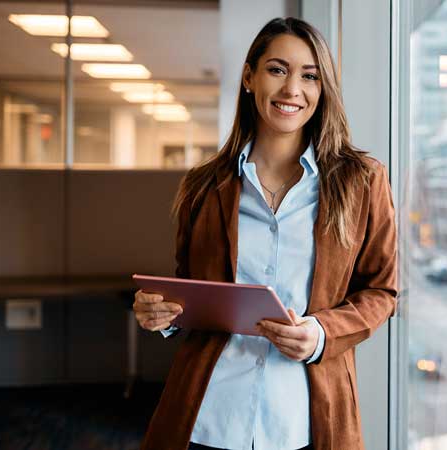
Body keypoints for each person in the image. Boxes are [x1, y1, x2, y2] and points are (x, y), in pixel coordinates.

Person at [132, 17, 397, 450]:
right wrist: (161, 315)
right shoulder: (204, 186)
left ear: (322, 87)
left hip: (305, 420)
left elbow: (381, 292)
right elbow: (190, 290)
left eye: (309, 76)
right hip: (210, 417)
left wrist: (321, 333)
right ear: (249, 77)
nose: (293, 89)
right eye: (277, 69)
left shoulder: (362, 180)